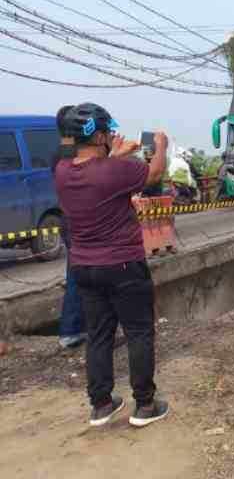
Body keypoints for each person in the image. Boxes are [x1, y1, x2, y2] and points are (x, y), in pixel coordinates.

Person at [55, 103, 170, 428]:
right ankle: (145, 405)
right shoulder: (115, 171)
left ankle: (101, 404)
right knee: (138, 333)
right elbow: (155, 173)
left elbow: (95, 172)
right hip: (123, 265)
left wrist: (115, 155)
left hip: (84, 268)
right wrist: (160, 146)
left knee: (99, 335)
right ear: (102, 135)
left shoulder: (63, 171)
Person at [53, 105, 85, 349]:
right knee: (78, 277)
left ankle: (78, 328)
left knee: (77, 275)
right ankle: (72, 330)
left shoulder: (58, 154)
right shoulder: (72, 155)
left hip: (70, 222)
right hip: (78, 223)